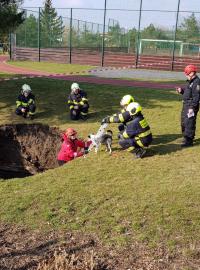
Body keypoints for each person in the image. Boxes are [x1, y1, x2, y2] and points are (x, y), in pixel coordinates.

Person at [176, 64, 200, 147]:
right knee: (183, 122)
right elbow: (188, 92)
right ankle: (185, 137)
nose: (186, 76)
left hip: (191, 106)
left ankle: (189, 141)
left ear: (192, 73)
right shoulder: (190, 82)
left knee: (189, 122)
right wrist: (181, 91)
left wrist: (192, 108)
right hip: (186, 104)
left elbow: (196, 97)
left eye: (187, 74)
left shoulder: (197, 83)